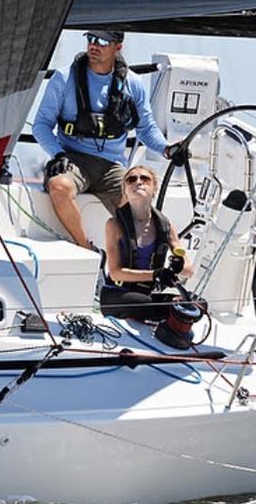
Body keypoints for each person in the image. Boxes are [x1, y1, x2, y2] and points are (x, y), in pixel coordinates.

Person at [33, 30, 187, 249]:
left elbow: (146, 128)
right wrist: (57, 153)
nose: (94, 46)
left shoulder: (132, 83)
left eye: (103, 41)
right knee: (59, 186)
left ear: (118, 47)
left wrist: (167, 150)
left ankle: (171, 255)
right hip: (72, 160)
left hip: (112, 166)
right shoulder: (63, 78)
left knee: (139, 196)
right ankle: (85, 247)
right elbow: (41, 125)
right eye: (91, 39)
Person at [101, 165, 193, 321]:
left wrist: (178, 266)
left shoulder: (165, 226)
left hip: (147, 294)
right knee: (142, 303)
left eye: (145, 179)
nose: (138, 182)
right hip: (118, 294)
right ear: (125, 191)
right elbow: (116, 272)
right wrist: (155, 275)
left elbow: (188, 270)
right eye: (131, 179)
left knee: (197, 303)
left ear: (154, 189)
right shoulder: (114, 225)